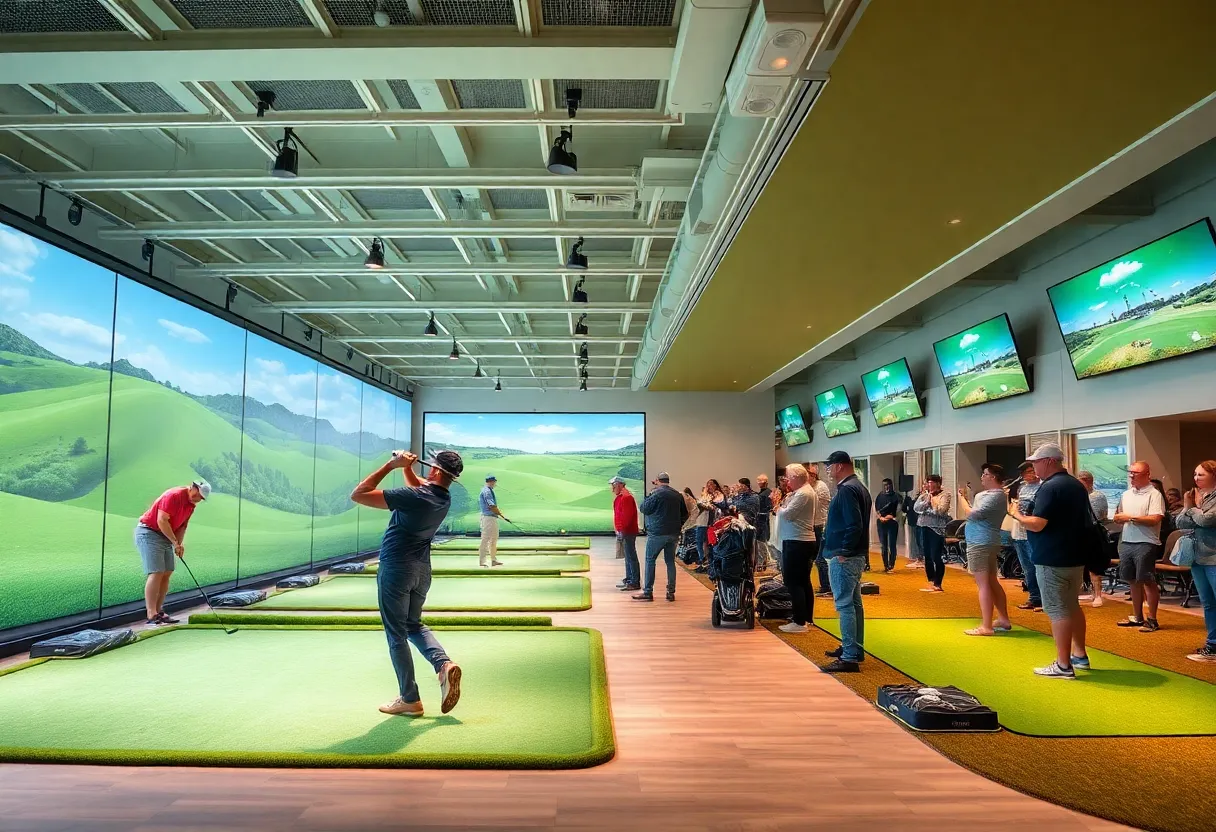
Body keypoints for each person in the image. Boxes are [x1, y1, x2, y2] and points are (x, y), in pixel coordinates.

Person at [351, 450, 464, 716]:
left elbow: (359, 494)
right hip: (421, 571)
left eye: (432, 465)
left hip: (397, 569)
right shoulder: (442, 497)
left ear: (435, 471)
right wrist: (408, 469)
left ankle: (409, 699)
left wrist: (392, 465)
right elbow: (420, 488)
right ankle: (444, 665)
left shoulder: (414, 496)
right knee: (413, 624)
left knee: (396, 633)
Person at [1009, 443, 1090, 679]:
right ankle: (1079, 655)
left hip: (1052, 556)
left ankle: (1063, 665)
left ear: (1049, 461)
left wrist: (1017, 515)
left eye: (1035, 462)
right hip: (1074, 555)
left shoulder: (1049, 487)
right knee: (1071, 605)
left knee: (1057, 609)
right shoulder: (1075, 484)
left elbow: (1038, 523)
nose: (1033, 467)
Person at [820, 451, 873, 673]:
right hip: (855, 554)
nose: (828, 470)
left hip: (847, 556)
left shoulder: (847, 490)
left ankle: (850, 656)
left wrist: (844, 551)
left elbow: (854, 524)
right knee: (854, 604)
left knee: (844, 605)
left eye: (830, 466)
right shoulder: (858, 487)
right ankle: (854, 648)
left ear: (840, 466)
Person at [134, 480, 210, 625]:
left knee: (167, 571)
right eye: (198, 495)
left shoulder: (191, 506)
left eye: (201, 498)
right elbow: (162, 520)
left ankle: (159, 611)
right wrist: (174, 542)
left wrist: (179, 545)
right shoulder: (173, 495)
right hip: (149, 532)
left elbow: (182, 526)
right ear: (193, 487)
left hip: (165, 535)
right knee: (156, 571)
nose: (198, 499)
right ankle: (151, 614)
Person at [956, 464, 1012, 636]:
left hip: (981, 542)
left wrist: (962, 498)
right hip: (984, 541)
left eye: (985, 474)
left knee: (984, 584)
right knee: (991, 581)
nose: (982, 477)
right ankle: (1003, 619)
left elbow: (971, 514)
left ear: (993, 477)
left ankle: (986, 626)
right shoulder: (988, 495)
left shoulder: (997, 496)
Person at [1114, 461, 1166, 633]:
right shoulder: (1126, 494)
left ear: (1147, 474)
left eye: (1136, 473)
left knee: (1147, 580)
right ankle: (1137, 616)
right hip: (1128, 540)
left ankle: (1152, 619)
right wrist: (1119, 518)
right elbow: (1120, 515)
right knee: (1132, 580)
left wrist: (1129, 518)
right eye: (1130, 473)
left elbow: (1155, 519)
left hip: (1146, 542)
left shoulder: (1154, 494)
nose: (1132, 476)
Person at [1177, 460, 1216, 662]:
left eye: (1201, 475)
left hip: (1214, 559)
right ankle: (1213, 644)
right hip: (1198, 558)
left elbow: (1206, 520)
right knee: (1208, 603)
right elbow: (1180, 523)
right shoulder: (1198, 497)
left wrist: (1192, 508)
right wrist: (1188, 506)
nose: (1196, 478)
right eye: (1195, 474)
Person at [775, 464, 818, 634]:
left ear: (795, 478)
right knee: (803, 581)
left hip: (797, 541)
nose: (786, 481)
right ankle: (805, 617)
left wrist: (779, 508)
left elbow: (787, 514)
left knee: (794, 582)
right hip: (799, 540)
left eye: (788, 477)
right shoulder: (803, 492)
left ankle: (799, 622)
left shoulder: (803, 493)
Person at [634, 472, 688, 602]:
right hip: (673, 533)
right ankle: (670, 592)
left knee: (650, 560)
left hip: (657, 533)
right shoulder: (677, 494)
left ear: (657, 481)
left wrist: (650, 494)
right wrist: (678, 525)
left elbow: (644, 509)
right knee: (670, 562)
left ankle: (648, 592)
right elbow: (685, 514)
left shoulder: (656, 494)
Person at [1009, 461, 1042, 612]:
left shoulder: (1043, 486)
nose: (1031, 474)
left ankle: (1043, 599)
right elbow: (1013, 507)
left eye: (1032, 470)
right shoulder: (1021, 487)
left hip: (1034, 532)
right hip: (1019, 532)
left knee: (1038, 566)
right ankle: (1034, 597)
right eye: (1028, 472)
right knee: (1027, 568)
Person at [913, 474, 952, 592]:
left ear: (938, 484)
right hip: (923, 527)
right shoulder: (924, 495)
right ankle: (931, 580)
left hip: (937, 529)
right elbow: (916, 508)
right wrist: (926, 503)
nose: (929, 485)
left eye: (931, 482)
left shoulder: (945, 495)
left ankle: (938, 583)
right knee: (927, 556)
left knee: (936, 556)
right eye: (928, 482)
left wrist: (929, 505)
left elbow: (941, 510)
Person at [1077, 470, 1108, 608]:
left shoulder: (1097, 496)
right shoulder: (1076, 496)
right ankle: (1086, 590)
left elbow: (1098, 515)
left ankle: (1098, 594)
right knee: (1079, 565)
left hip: (1093, 533)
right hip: (1079, 533)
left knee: (1094, 566)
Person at [807, 467, 833, 597]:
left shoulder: (820, 487)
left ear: (813, 476)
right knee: (818, 558)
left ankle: (827, 586)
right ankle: (825, 585)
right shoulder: (813, 487)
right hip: (816, 524)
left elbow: (813, 504)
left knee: (820, 558)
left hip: (821, 525)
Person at [611, 476, 640, 592]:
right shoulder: (621, 497)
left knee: (630, 556)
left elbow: (627, 518)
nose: (612, 489)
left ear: (619, 485)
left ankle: (634, 581)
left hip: (627, 531)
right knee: (628, 556)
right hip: (623, 531)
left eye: (613, 486)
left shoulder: (626, 497)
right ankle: (629, 579)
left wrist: (621, 530)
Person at [731, 477, 767, 571]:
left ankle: (752, 565)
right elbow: (732, 505)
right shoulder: (738, 496)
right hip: (738, 523)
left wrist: (738, 507)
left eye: (741, 485)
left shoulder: (754, 496)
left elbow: (753, 509)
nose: (739, 487)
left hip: (750, 523)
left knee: (750, 545)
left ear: (746, 486)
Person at [694, 479, 726, 571]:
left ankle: (710, 564)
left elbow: (719, 507)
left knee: (711, 544)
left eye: (711, 484)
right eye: (708, 484)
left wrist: (708, 505)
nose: (709, 486)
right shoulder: (706, 496)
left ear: (716, 485)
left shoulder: (719, 495)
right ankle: (706, 563)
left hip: (716, 523)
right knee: (705, 543)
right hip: (707, 523)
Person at [478, 475, 506, 568]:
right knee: (485, 539)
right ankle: (482, 561)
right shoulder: (487, 491)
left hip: (492, 518)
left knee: (494, 538)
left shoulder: (489, 490)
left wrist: (499, 515)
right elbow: (492, 506)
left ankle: (493, 560)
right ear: (491, 482)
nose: (495, 483)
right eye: (494, 482)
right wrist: (502, 515)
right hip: (488, 518)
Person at [874, 478, 900, 573]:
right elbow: (877, 508)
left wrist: (891, 516)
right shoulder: (880, 496)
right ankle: (885, 565)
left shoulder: (896, 496)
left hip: (892, 522)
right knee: (883, 545)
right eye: (885, 485)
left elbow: (899, 509)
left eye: (888, 485)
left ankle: (891, 564)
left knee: (892, 544)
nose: (887, 487)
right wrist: (880, 517)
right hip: (881, 522)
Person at [755, 474, 775, 570]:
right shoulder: (762, 493)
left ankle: (762, 563)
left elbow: (769, 508)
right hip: (760, 520)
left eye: (761, 481)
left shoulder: (767, 493)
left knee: (762, 542)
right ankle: (761, 562)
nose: (759, 483)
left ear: (765, 482)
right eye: (758, 481)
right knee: (759, 542)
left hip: (763, 520)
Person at [902, 489, 923, 568]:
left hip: (920, 522)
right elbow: (905, 509)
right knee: (916, 540)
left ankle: (921, 558)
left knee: (920, 540)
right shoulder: (910, 499)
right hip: (913, 521)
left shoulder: (922, 499)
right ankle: (918, 557)